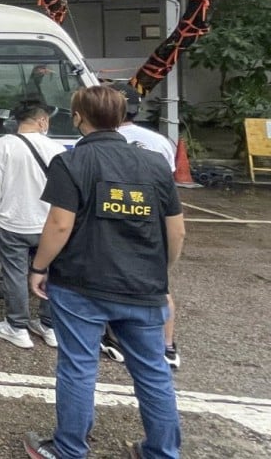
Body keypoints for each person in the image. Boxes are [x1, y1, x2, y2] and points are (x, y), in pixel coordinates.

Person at [23, 85, 185, 459]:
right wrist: (159, 271)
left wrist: (39, 267)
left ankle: (69, 450)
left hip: (81, 285)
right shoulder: (154, 165)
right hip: (144, 287)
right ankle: (162, 452)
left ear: (79, 117)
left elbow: (60, 226)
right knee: (153, 372)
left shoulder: (72, 163)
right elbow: (176, 231)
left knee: (79, 369)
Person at [0, 101, 65, 349]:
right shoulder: (57, 149)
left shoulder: (3, 145)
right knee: (50, 273)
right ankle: (48, 326)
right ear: (42, 121)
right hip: (48, 224)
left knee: (15, 275)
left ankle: (17, 327)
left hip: (13, 222)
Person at [115, 83, 182, 370]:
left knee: (112, 282)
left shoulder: (100, 140)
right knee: (159, 286)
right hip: (152, 220)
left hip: (114, 218)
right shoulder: (161, 142)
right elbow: (170, 190)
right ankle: (167, 346)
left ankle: (115, 340)